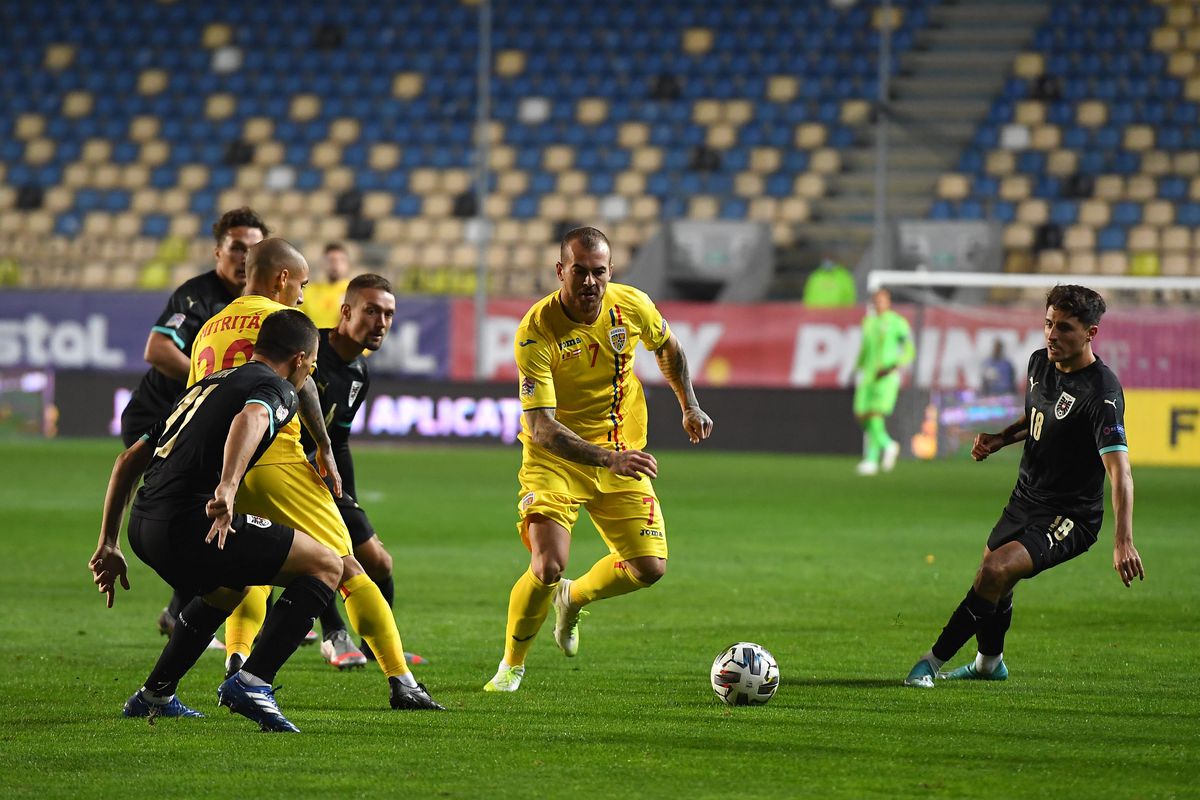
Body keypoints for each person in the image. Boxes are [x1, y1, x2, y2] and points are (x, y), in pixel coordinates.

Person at [189, 238, 443, 710]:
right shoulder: (281, 323)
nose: (304, 295)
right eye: (302, 284)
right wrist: (322, 445)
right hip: (273, 457)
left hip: (219, 463)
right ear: (282, 278)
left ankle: (231, 665)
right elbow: (296, 380)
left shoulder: (210, 326)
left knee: (251, 573)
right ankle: (400, 681)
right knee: (345, 565)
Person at [483, 226, 713, 693]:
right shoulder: (536, 331)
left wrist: (689, 404)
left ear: (611, 272)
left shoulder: (631, 306)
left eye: (599, 273)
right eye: (580, 272)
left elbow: (669, 348)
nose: (590, 283)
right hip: (557, 460)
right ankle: (511, 665)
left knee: (649, 568)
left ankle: (575, 597)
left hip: (620, 451)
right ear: (560, 271)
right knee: (548, 565)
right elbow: (543, 428)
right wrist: (609, 459)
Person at [90, 309, 342, 732]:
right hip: (189, 522)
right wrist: (227, 487)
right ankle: (253, 681)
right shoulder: (278, 388)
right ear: (300, 360)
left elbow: (128, 459)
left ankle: (155, 693)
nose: (308, 374)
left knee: (228, 587)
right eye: (311, 366)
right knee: (326, 564)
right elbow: (253, 418)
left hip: (143, 526)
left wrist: (108, 542)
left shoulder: (209, 383)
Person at [904, 285, 1143, 688]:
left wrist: (1123, 540)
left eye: (1065, 328)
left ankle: (931, 661)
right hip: (1026, 497)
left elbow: (1121, 472)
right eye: (1048, 324)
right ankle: (989, 663)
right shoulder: (1039, 363)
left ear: (1091, 333)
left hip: (1070, 516)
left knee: (994, 569)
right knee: (994, 578)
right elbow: (1036, 415)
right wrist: (1001, 438)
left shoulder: (1101, 393)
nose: (1052, 335)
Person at [119, 206, 270, 642]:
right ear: (217, 250)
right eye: (236, 247)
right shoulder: (197, 296)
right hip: (160, 419)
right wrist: (210, 386)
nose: (244, 257)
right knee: (191, 514)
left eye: (253, 249)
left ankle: (181, 611)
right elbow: (158, 349)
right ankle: (201, 608)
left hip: (197, 426)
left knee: (208, 511)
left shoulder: (259, 304)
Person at [298, 274, 421, 669]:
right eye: (371, 311)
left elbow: (341, 441)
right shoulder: (308, 350)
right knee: (327, 556)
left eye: (388, 314)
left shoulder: (359, 373)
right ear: (346, 311)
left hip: (324, 478)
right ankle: (334, 635)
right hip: (285, 473)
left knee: (380, 562)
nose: (381, 322)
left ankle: (377, 645)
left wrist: (348, 500)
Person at [853, 287, 914, 475]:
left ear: (889, 302)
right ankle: (887, 444)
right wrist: (857, 368)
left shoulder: (898, 323)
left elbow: (910, 350)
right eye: (876, 299)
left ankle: (872, 459)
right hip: (868, 375)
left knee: (875, 414)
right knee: (861, 414)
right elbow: (865, 349)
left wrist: (894, 366)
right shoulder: (868, 322)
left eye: (883, 299)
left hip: (886, 376)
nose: (879, 303)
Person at [299, 242, 352, 329]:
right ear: (322, 263)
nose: (336, 264)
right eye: (331, 260)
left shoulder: (352, 291)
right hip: (313, 340)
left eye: (341, 260)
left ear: (347, 264)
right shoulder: (309, 291)